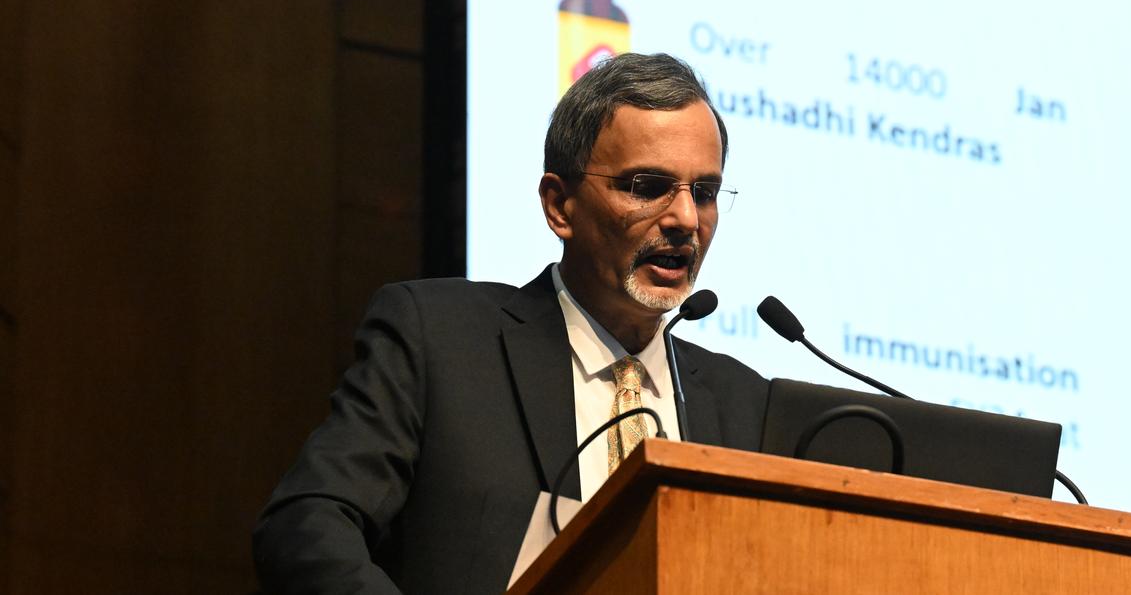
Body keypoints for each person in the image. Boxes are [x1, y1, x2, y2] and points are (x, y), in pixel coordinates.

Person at [253, 53, 768, 594]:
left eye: (704, 193)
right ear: (560, 206)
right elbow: (304, 528)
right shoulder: (441, 342)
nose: (686, 219)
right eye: (647, 186)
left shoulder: (744, 407)